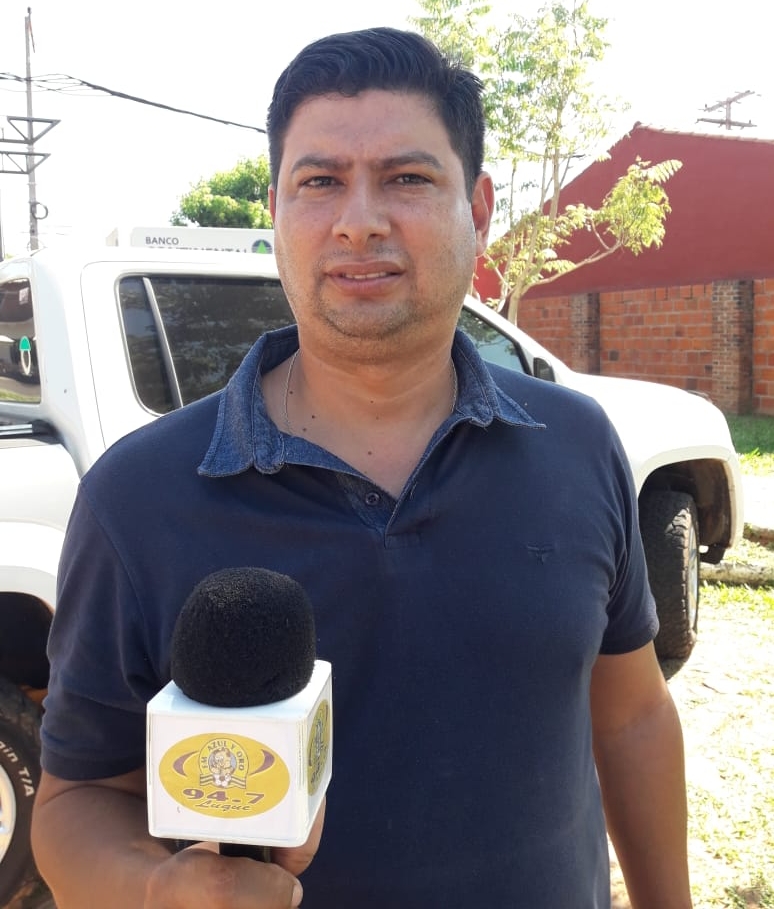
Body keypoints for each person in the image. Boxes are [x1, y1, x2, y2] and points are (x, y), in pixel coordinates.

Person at [31, 26, 693, 909]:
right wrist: (156, 889)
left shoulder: (577, 444)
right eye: (320, 182)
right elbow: (77, 800)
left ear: (479, 209)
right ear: (275, 212)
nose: (359, 220)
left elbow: (633, 713)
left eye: (407, 178)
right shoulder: (136, 499)